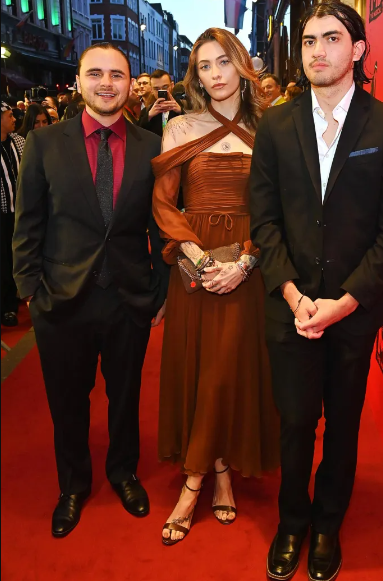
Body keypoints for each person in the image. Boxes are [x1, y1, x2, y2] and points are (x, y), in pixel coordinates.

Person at [250, 2, 383, 580]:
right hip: (288, 307)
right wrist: (295, 297)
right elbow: (263, 222)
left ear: (359, 50)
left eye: (332, 38)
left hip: (353, 309)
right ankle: (291, 522)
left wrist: (345, 301)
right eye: (308, 40)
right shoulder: (274, 125)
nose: (317, 49)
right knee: (295, 422)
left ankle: (326, 524)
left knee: (342, 424)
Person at [13, 42, 168, 539]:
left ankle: (123, 473)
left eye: (117, 74)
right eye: (96, 73)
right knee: (67, 401)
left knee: (126, 395)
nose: (107, 82)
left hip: (128, 296)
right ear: (79, 81)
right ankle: (73, 485)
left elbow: (159, 225)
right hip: (61, 298)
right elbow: (27, 222)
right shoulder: (44, 143)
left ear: (130, 83)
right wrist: (31, 290)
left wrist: (159, 290)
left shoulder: (150, 145)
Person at [152, 27, 279, 546]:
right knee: (202, 367)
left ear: (241, 65)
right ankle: (213, 470)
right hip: (195, 263)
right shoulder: (179, 127)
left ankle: (201, 476)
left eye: (222, 62)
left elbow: (278, 208)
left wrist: (244, 262)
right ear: (195, 76)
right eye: (203, 66)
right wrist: (196, 255)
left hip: (249, 262)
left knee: (229, 367)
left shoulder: (270, 128)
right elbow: (163, 204)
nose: (214, 74)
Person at [1, 102, 25, 327]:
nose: (14, 119)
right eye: (9, 116)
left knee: (20, 254)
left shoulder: (19, 141)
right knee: (3, 260)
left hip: (21, 210)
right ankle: (7, 306)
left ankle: (20, 293)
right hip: (1, 213)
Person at [139, 69, 183, 137]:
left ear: (172, 85)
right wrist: (149, 116)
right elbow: (138, 134)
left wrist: (181, 112)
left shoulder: (184, 106)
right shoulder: (146, 112)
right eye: (156, 89)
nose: (162, 91)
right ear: (151, 90)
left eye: (165, 87)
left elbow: (194, 128)